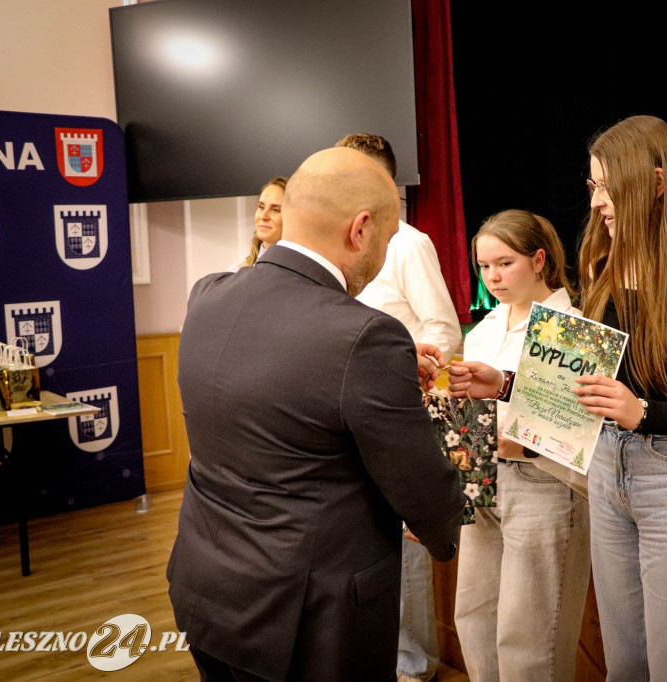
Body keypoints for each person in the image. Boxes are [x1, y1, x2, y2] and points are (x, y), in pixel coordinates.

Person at [450, 115, 667, 681]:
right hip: (607, 470)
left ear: (655, 183)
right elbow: (587, 386)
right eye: (594, 187)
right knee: (625, 662)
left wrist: (645, 412)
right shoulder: (604, 260)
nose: (599, 202)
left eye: (609, 187)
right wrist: (504, 384)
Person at [168, 146, 466, 682]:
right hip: (305, 620)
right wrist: (443, 528)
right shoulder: (365, 336)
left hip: (204, 592)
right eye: (389, 238)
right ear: (361, 230)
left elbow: (276, 404)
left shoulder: (207, 295)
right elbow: (422, 488)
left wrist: (389, 376)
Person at [336, 132, 462, 682]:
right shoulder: (337, 244)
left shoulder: (408, 243)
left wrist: (395, 369)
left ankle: (412, 664)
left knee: (406, 546)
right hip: (341, 413)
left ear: (385, 182)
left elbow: (443, 328)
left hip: (395, 409)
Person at [449, 209, 591, 682]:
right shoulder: (486, 328)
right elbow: (469, 409)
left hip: (542, 483)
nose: (492, 276)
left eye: (504, 263)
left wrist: (522, 443)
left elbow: (577, 425)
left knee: (530, 632)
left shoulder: (571, 326)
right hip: (482, 479)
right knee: (474, 612)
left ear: (538, 259)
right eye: (484, 265)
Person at [232, 176, 287, 270]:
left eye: (275, 210)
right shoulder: (236, 272)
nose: (263, 216)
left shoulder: (305, 274)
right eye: (261, 207)